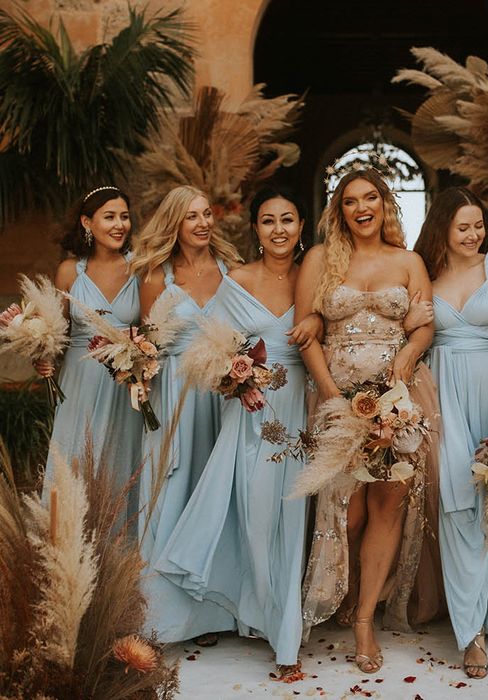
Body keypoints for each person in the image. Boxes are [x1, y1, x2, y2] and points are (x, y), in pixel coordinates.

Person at [152, 186, 314, 680]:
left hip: (305, 408)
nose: (279, 229)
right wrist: (233, 380)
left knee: (298, 519)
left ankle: (285, 632)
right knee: (260, 521)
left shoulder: (316, 278)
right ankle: (268, 620)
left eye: (288, 219)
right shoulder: (236, 281)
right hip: (254, 413)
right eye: (268, 221)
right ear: (256, 230)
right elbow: (211, 351)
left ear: (301, 227)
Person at [296, 167, 442, 674]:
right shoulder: (320, 260)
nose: (363, 208)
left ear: (385, 205)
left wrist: (404, 362)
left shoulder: (409, 261)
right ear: (340, 210)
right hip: (338, 401)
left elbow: (424, 327)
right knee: (346, 511)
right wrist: (335, 397)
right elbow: (307, 335)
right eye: (352, 200)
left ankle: (364, 620)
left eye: (372, 198)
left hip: (398, 401)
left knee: (385, 507)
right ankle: (345, 589)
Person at [414, 187, 488, 678]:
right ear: (442, 226)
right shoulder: (424, 270)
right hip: (441, 393)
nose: (473, 234)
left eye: (478, 225)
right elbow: (411, 332)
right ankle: (471, 634)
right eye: (463, 226)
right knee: (457, 501)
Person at [130, 185, 242, 644]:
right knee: (172, 490)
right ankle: (164, 616)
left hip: (222, 393)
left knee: (216, 495)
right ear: (174, 222)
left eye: (206, 214)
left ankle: (211, 611)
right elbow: (146, 345)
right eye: (191, 216)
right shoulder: (158, 275)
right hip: (175, 393)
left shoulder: (230, 270)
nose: (202, 223)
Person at [38, 186, 143, 522]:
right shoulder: (70, 272)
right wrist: (41, 355)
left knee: (120, 468)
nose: (119, 225)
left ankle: (119, 564)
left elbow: (156, 327)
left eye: (124, 217)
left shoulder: (141, 268)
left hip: (125, 385)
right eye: (109, 217)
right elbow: (56, 334)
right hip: (80, 385)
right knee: (74, 465)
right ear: (87, 222)